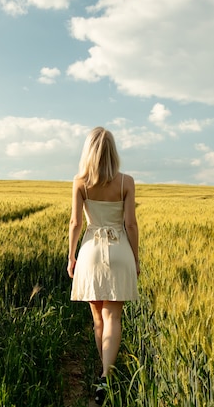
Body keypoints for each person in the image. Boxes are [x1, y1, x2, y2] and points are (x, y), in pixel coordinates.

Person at [67, 127, 140, 405]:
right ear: (113, 152)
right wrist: (135, 258)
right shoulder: (126, 182)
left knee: (98, 318)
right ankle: (107, 377)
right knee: (114, 318)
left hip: (91, 252)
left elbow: (75, 223)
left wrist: (71, 256)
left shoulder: (80, 182)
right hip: (119, 250)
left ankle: (102, 375)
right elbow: (131, 224)